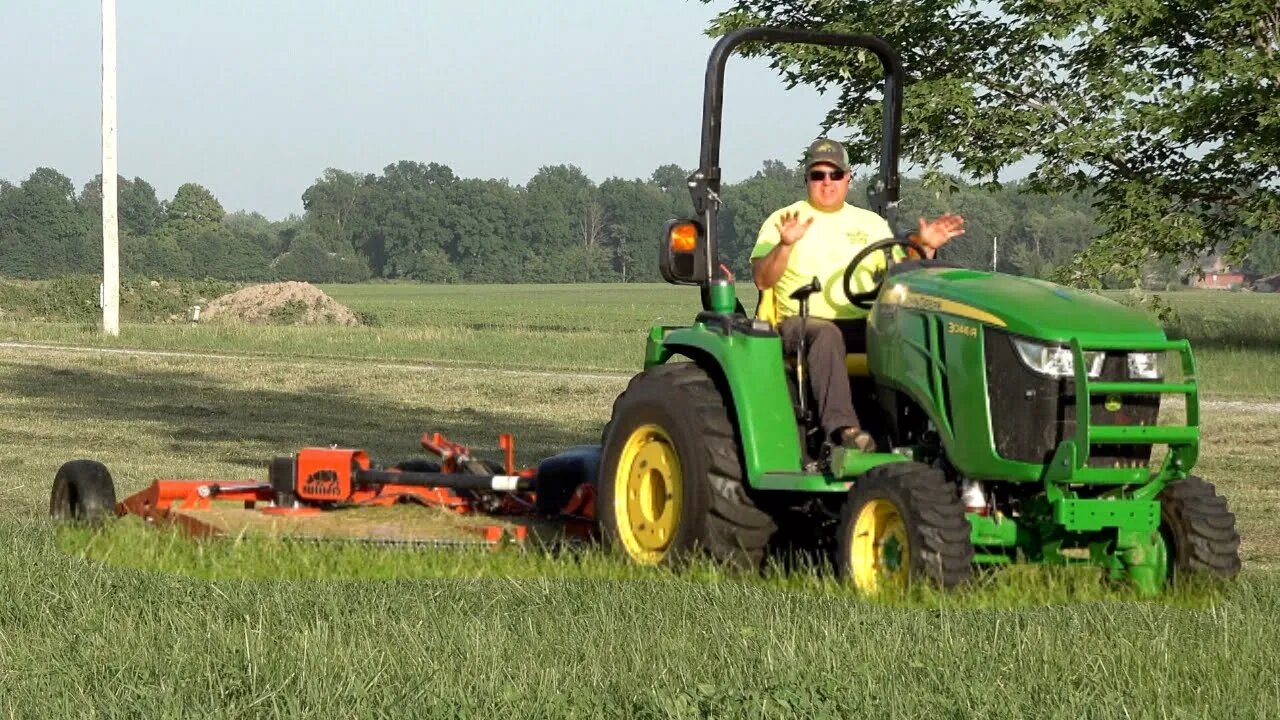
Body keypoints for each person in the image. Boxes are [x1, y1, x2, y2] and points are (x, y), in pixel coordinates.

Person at [750, 138, 965, 452]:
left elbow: (898, 272)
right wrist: (785, 245)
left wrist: (925, 246)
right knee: (827, 335)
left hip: (864, 323)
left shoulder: (871, 224)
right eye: (818, 175)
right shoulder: (785, 221)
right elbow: (762, 279)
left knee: (925, 336)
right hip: (802, 323)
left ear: (848, 177)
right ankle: (845, 432)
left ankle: (926, 435)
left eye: (834, 175)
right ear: (806, 179)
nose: (827, 183)